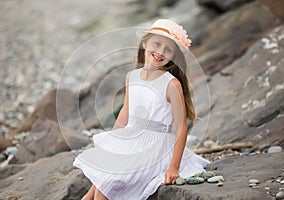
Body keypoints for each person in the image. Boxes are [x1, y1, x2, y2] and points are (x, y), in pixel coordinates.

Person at [73, 19, 210, 200]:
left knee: (108, 182)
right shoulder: (132, 76)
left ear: (173, 56)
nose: (160, 52)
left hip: (156, 146)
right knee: (102, 173)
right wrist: (111, 146)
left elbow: (181, 128)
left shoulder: (171, 84)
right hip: (131, 138)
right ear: (145, 43)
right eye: (157, 44)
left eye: (168, 49)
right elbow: (125, 114)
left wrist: (173, 167)